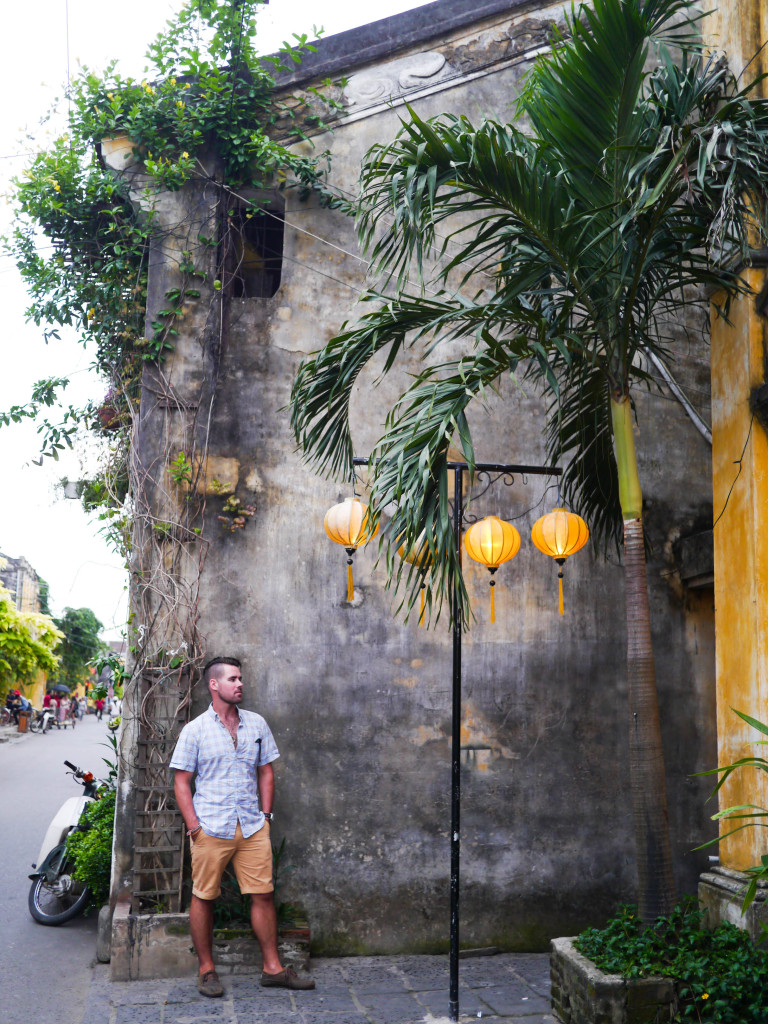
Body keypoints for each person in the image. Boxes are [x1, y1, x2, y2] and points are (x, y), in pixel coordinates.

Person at [170, 656, 314, 998]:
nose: (240, 684)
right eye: (233, 679)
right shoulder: (195, 730)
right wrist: (194, 827)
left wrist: (265, 818)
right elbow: (181, 781)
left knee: (263, 895)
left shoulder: (256, 725)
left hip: (251, 827)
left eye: (241, 679)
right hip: (210, 827)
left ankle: (273, 969)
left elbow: (266, 771)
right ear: (214, 685)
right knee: (204, 896)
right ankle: (207, 970)